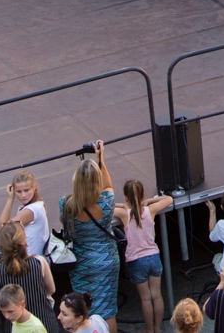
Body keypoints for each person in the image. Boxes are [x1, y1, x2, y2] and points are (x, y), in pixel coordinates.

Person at [60, 142, 119, 321]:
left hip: (81, 264)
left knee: (83, 310)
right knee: (108, 310)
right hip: (106, 260)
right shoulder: (106, 203)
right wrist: (100, 158)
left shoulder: (66, 205)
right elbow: (108, 186)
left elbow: (65, 223)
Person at [115, 180, 174, 333]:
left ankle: (149, 330)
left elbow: (106, 208)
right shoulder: (150, 210)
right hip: (153, 257)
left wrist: (123, 205)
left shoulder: (124, 214)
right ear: (143, 194)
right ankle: (158, 328)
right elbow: (169, 199)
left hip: (137, 261)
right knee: (157, 295)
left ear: (125, 197)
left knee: (145, 298)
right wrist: (148, 201)